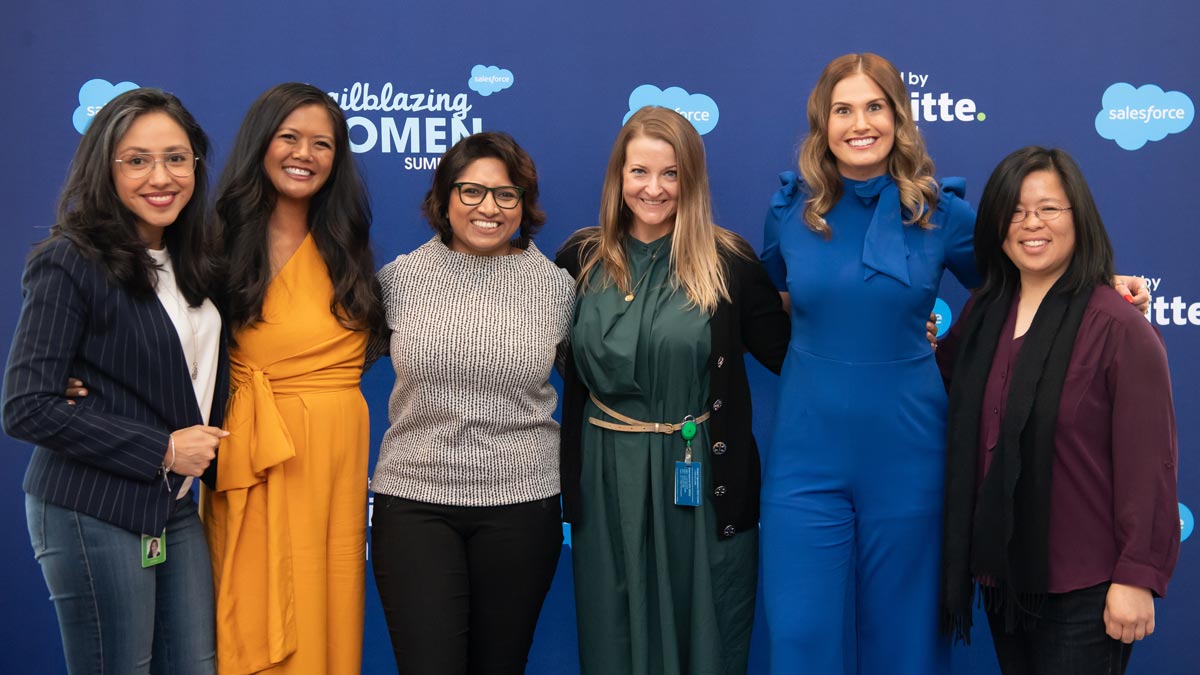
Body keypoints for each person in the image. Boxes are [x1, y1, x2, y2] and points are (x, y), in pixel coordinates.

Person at [759, 52, 1150, 675]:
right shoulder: (789, 212)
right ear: (822, 123)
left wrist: (1107, 281)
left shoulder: (940, 213)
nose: (860, 123)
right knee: (800, 639)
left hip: (911, 457)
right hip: (805, 459)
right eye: (843, 109)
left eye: (875, 107)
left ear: (898, 117)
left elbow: (1029, 267)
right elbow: (773, 299)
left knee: (907, 646)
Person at [557, 106, 790, 674]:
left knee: (706, 627)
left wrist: (894, 325)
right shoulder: (578, 261)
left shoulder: (728, 263)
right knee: (613, 628)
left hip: (701, 474)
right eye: (639, 172)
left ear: (692, 179)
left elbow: (797, 355)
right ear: (618, 177)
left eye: (671, 174)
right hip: (605, 474)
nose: (654, 189)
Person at [2, 87, 228, 674]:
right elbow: (26, 407)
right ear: (106, 169)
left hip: (172, 507)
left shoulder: (196, 257)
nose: (161, 176)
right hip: (91, 507)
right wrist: (165, 448)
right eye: (137, 160)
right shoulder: (70, 259)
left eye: (177, 158)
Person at [939, 146, 1178, 675]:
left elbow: (1149, 465)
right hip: (1007, 581)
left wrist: (1136, 576)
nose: (1031, 224)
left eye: (1049, 208)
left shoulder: (1118, 327)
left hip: (1087, 589)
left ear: (1079, 218)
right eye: (1016, 211)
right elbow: (939, 392)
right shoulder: (984, 313)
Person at [369, 131, 573, 674]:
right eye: (471, 191)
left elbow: (602, 379)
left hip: (522, 507)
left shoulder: (557, 288)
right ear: (443, 198)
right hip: (413, 506)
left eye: (506, 195)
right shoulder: (398, 281)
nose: (488, 208)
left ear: (524, 205)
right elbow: (327, 366)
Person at [200, 82, 385, 674]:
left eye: (322, 144)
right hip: (256, 454)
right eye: (289, 137)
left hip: (334, 458)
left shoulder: (347, 246)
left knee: (326, 605)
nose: (305, 153)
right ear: (261, 143)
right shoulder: (213, 244)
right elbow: (163, 337)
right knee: (253, 616)